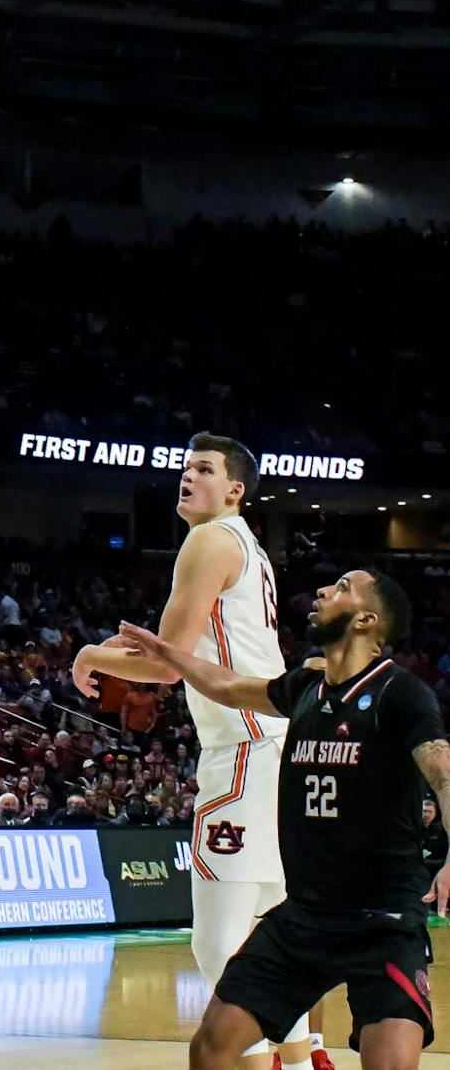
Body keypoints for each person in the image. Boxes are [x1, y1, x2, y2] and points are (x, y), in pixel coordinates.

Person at [119, 570, 449, 1068]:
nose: (322, 592)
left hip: (383, 917)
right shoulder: (305, 689)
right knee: (209, 1049)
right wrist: (168, 654)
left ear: (366, 620)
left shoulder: (399, 694)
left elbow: (443, 773)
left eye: (341, 588)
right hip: (305, 915)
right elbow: (228, 687)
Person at [70, 434, 309, 1069]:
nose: (187, 477)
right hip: (275, 742)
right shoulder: (248, 547)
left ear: (235, 489)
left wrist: (91, 654)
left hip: (245, 745)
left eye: (204, 469)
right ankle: (306, 1054)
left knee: (216, 943)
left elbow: (169, 663)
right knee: (269, 922)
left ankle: (259, 1061)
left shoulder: (209, 540)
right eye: (184, 468)